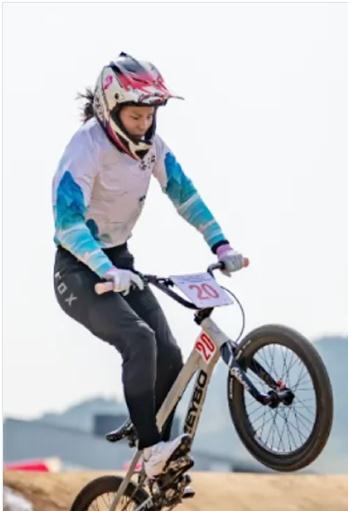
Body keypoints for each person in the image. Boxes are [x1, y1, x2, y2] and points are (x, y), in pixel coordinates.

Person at [52, 52, 246, 478]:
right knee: (139, 340)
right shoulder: (86, 147)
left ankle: (160, 459)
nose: (143, 125)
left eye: (149, 116)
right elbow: (66, 223)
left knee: (171, 356)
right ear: (110, 109)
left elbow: (184, 194)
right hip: (78, 270)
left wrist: (221, 243)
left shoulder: (153, 148)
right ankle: (150, 447)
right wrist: (105, 269)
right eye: (135, 116)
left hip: (120, 262)